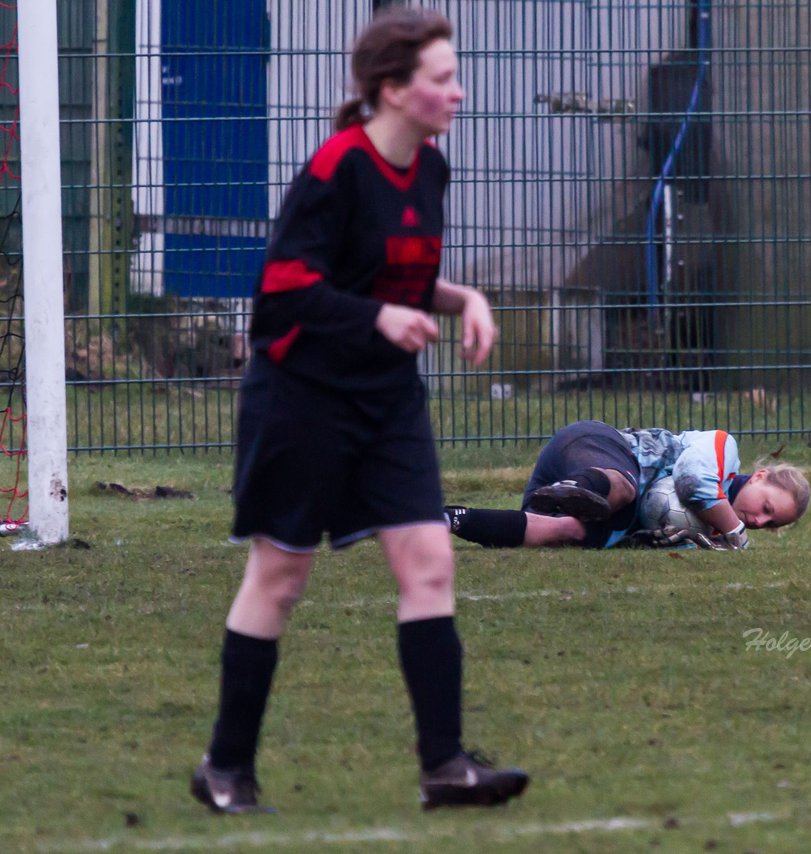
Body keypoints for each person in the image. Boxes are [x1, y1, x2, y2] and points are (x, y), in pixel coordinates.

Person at [191, 8, 528, 815]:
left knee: (430, 564)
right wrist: (376, 318)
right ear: (393, 89)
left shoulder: (432, 169)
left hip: (386, 397)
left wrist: (463, 300)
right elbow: (284, 288)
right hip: (301, 394)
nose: (460, 92)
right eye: (444, 79)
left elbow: (401, 283)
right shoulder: (337, 168)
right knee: (281, 575)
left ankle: (444, 767)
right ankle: (225, 770)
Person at [444, 419, 810, 549]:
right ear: (760, 476)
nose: (759, 522)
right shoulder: (723, 450)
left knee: (568, 531)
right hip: (596, 446)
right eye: (766, 508)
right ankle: (577, 486)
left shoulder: (709, 537)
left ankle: (442, 519)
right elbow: (692, 481)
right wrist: (736, 532)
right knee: (624, 487)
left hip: (600, 507)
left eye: (770, 523)